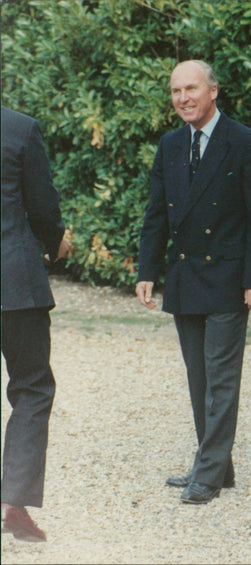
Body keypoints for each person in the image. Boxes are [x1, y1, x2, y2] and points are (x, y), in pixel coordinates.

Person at [136, 60, 251, 504]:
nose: (183, 99)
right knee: (199, 378)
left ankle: (209, 474)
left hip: (229, 279)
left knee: (221, 379)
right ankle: (215, 464)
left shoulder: (246, 142)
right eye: (176, 91)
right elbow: (156, 214)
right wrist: (146, 271)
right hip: (183, 277)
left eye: (191, 89)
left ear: (213, 90)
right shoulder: (170, 144)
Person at [1, 107, 73, 542]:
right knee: (31, 387)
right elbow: (44, 205)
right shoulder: (19, 127)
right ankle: (11, 501)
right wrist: (54, 242)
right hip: (14, 282)